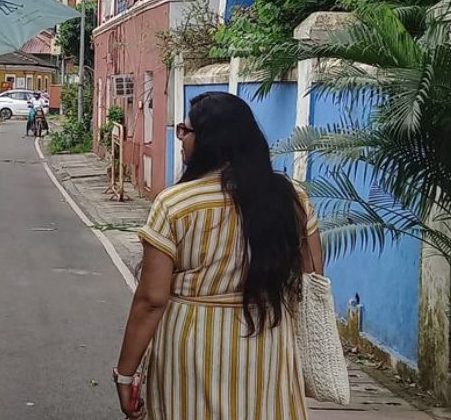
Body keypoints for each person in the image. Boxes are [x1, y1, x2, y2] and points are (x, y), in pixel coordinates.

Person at [113, 92, 323, 420]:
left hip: (192, 347)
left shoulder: (176, 204)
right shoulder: (291, 198)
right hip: (267, 341)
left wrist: (125, 374)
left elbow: (152, 300)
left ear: (208, 139)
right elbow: (311, 276)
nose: (180, 139)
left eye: (185, 130)